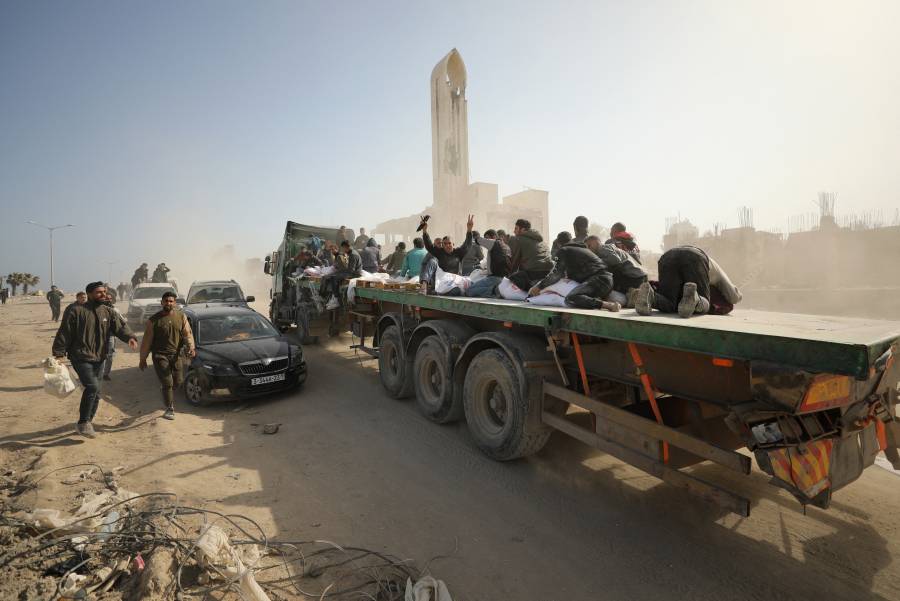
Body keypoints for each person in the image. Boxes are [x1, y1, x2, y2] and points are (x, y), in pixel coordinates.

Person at [52, 282, 138, 437]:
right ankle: (83, 422)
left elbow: (120, 326)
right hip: (80, 356)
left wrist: (129, 337)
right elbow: (65, 331)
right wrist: (59, 352)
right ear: (89, 294)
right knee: (91, 387)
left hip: (100, 356)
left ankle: (87, 422)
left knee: (97, 391)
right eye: (99, 292)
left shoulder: (107, 311)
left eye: (104, 292)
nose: (104, 294)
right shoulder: (75, 310)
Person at [139, 291, 196, 420]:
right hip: (160, 356)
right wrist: (143, 359)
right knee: (168, 382)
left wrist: (191, 347)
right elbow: (147, 342)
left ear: (174, 303)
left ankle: (166, 390)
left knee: (178, 382)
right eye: (166, 301)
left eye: (171, 301)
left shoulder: (181, 317)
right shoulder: (153, 321)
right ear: (161, 303)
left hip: (176, 355)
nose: (168, 303)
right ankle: (169, 408)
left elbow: (187, 334)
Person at [527, 241, 620, 312]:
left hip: (599, 279)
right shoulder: (579, 251)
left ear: (559, 245)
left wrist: (539, 287)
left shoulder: (563, 251)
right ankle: (600, 301)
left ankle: (608, 305)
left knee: (571, 298)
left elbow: (556, 274)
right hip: (605, 280)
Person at [634, 245, 714, 318]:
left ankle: (651, 296)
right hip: (695, 257)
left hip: (668, 257)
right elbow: (726, 290)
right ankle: (696, 298)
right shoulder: (715, 270)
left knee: (669, 301)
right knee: (705, 302)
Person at [585, 236, 648, 306]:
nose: (588, 249)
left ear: (596, 242)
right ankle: (633, 295)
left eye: (589, 245)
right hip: (638, 276)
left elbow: (616, 260)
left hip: (634, 277)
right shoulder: (606, 249)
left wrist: (597, 262)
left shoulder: (603, 248)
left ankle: (634, 295)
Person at [420, 215, 475, 288]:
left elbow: (467, 244)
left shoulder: (458, 252)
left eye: (449, 243)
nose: (447, 245)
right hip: (441, 281)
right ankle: (424, 285)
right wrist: (424, 231)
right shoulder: (439, 252)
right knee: (432, 261)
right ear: (442, 245)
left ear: (453, 244)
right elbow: (429, 246)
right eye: (445, 244)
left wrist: (469, 230)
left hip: (454, 282)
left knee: (456, 291)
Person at [507, 219, 554, 291]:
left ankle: (531, 291)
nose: (514, 231)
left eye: (516, 228)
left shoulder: (519, 239)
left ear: (522, 229)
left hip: (534, 273)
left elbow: (515, 262)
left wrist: (508, 276)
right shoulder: (541, 241)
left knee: (513, 278)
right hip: (549, 272)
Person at [466, 229, 512, 298]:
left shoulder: (494, 243)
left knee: (469, 291)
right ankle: (496, 291)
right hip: (504, 279)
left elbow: (479, 240)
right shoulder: (506, 247)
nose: (486, 240)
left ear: (494, 237)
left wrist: (471, 234)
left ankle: (495, 291)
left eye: (487, 238)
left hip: (495, 278)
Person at [320, 240, 362, 309]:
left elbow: (351, 270)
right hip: (352, 272)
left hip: (355, 273)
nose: (343, 250)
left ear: (345, 247)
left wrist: (340, 272)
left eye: (343, 248)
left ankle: (336, 299)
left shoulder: (353, 255)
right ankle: (332, 297)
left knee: (334, 277)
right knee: (334, 275)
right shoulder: (352, 253)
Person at [101, 288, 126, 381]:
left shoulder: (115, 310)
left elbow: (123, 322)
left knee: (110, 355)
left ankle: (105, 373)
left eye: (110, 299)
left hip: (110, 335)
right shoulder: (96, 309)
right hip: (98, 336)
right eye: (106, 298)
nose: (108, 300)